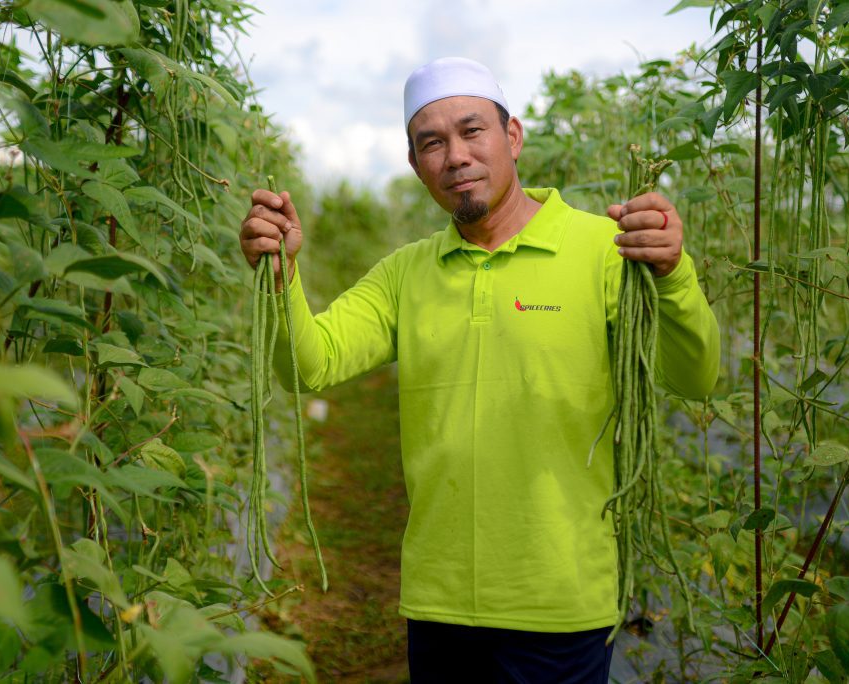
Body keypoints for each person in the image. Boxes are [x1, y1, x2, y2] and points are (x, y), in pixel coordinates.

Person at [239, 57, 719, 683]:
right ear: (416, 166)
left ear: (512, 136)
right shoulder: (406, 273)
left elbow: (695, 377)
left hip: (560, 604)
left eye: (472, 131)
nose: (455, 156)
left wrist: (674, 274)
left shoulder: (605, 250)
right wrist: (281, 280)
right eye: (431, 143)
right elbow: (312, 364)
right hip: (438, 602)